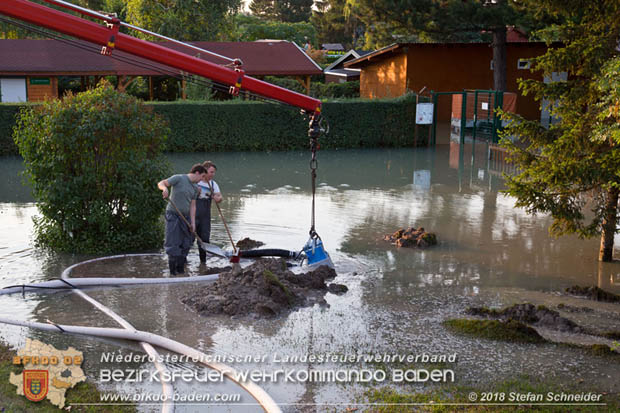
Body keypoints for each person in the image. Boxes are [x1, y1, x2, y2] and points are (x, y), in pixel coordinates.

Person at [158, 164, 207, 275]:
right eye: (202, 176)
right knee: (173, 243)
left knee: (186, 244)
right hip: (173, 215)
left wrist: (193, 223)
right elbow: (161, 183)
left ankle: (181, 271)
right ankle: (172, 273)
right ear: (197, 173)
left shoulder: (195, 188)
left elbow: (193, 206)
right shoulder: (179, 178)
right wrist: (165, 188)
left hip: (186, 217)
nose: (202, 180)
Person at [196, 160, 223, 263]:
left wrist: (218, 198)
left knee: (204, 240)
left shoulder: (213, 184)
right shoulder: (196, 181)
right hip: (192, 214)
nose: (213, 174)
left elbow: (219, 197)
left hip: (205, 216)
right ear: (205, 171)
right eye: (211, 172)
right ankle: (182, 262)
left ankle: (203, 263)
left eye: (214, 172)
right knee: (188, 239)